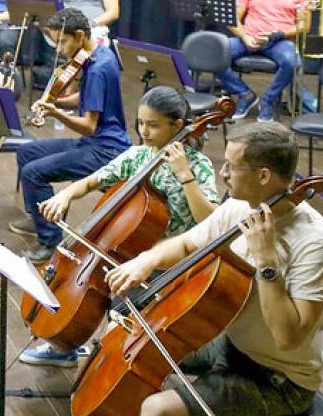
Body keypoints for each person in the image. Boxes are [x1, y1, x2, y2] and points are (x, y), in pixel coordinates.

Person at [31, 122, 323, 416]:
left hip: (278, 378)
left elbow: (288, 338)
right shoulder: (242, 207)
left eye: (231, 166)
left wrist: (267, 264)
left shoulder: (316, 243)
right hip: (234, 342)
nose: (222, 174)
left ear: (264, 175)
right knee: (127, 330)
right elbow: (189, 242)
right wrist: (144, 262)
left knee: (157, 415)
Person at [19, 86, 221, 368]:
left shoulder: (198, 166)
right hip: (129, 251)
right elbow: (92, 181)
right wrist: (64, 195)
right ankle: (65, 346)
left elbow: (209, 221)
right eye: (140, 123)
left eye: (153, 125)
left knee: (116, 303)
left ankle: (105, 354)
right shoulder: (138, 155)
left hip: (171, 261)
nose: (145, 132)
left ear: (177, 125)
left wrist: (185, 176)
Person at [9, 7, 131, 263]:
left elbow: (88, 125)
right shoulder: (97, 53)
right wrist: (58, 103)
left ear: (79, 35)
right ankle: (41, 217)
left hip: (105, 149)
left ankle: (50, 241)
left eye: (62, 42)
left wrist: (55, 113)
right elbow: (84, 98)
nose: (59, 49)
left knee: (33, 172)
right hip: (94, 141)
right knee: (26, 152)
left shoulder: (98, 68)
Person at [214, 0, 319, 121]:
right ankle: (245, 95)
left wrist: (276, 34)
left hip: (279, 41)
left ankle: (268, 100)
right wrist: (245, 37)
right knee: (213, 55)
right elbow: (233, 20)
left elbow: (305, 26)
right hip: (249, 38)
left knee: (292, 62)